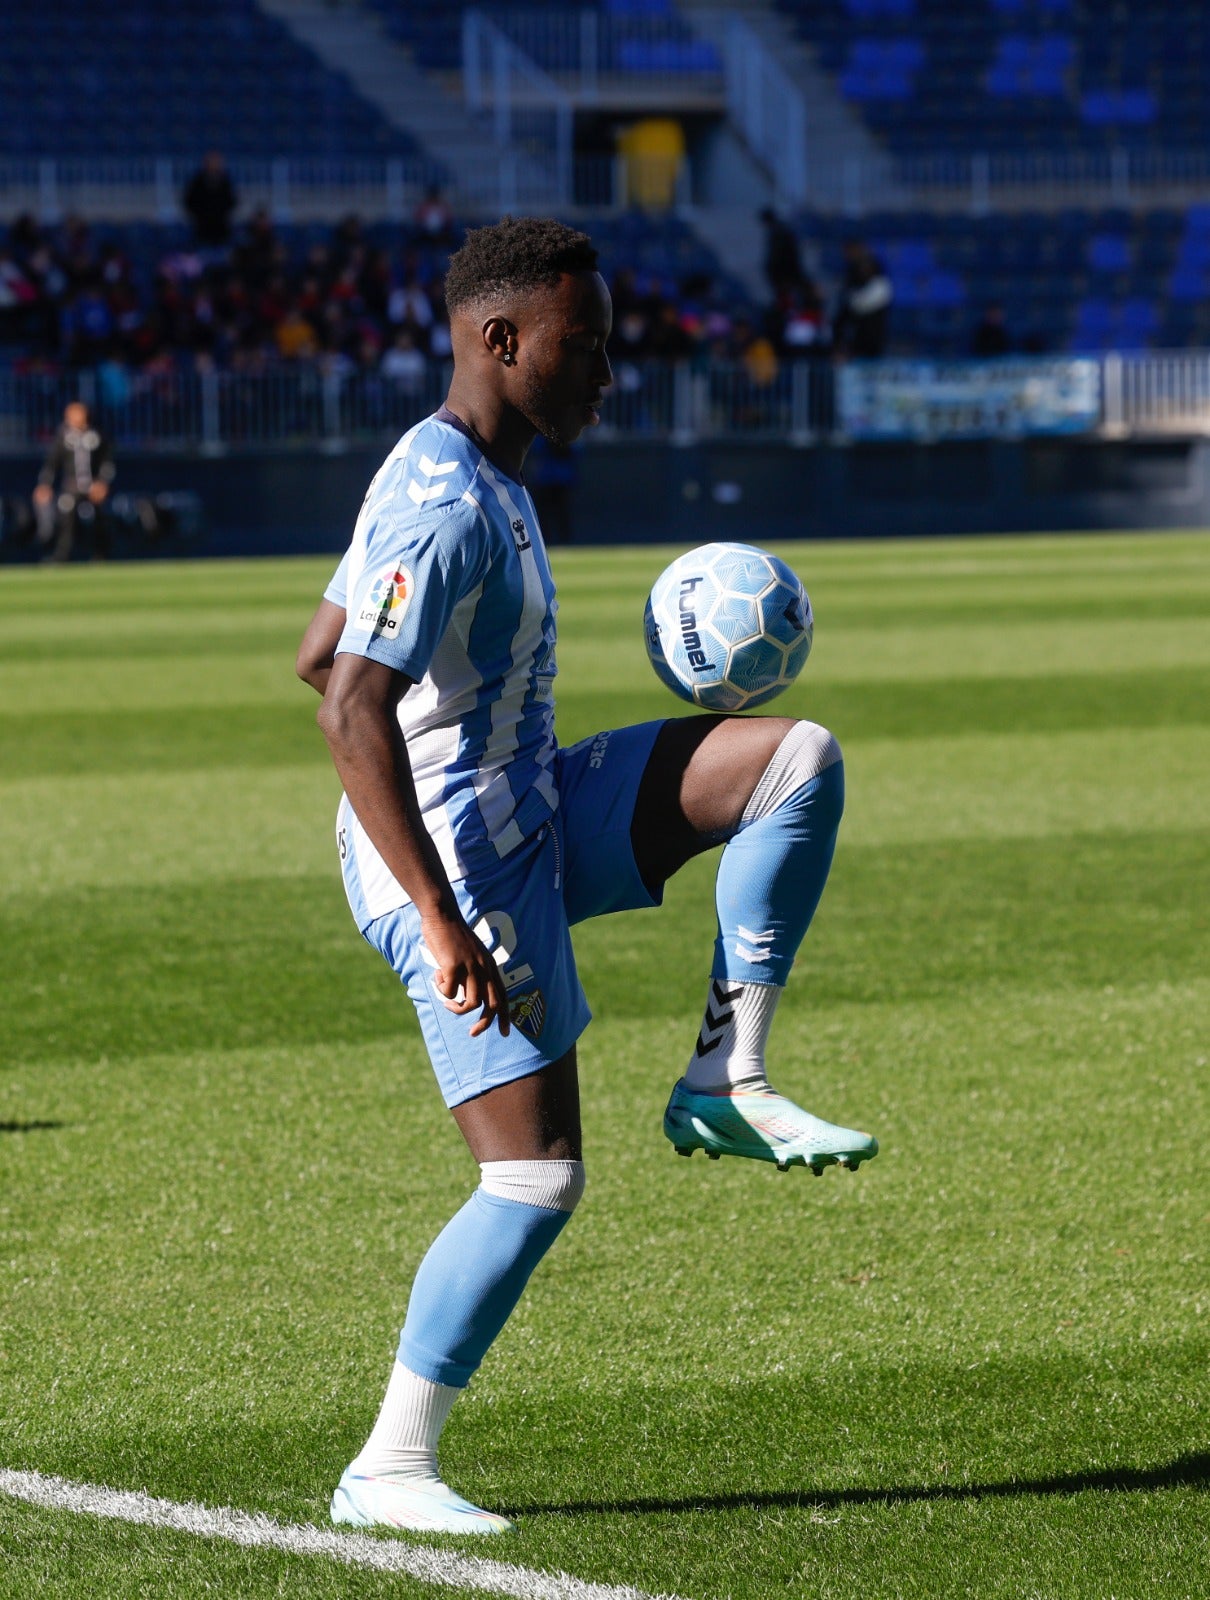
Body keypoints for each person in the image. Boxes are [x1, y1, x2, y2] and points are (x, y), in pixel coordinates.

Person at [295, 216, 877, 1538]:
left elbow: (317, 647)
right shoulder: (444, 504)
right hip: (457, 864)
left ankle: (726, 1073)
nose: (608, 370)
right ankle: (387, 1466)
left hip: (530, 804)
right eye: (588, 345)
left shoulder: (459, 471)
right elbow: (344, 707)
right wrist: (440, 921)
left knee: (792, 763)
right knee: (533, 1179)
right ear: (503, 341)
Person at [33, 400, 115, 562]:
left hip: (94, 486)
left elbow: (108, 462)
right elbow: (52, 463)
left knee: (99, 516)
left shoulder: (97, 435)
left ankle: (101, 553)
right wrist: (44, 485)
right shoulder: (63, 437)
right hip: (72, 486)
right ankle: (62, 554)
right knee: (65, 511)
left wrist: (102, 483)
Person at [833, 240, 892, 360]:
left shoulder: (875, 267)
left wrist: (858, 301)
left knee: (872, 349)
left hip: (873, 323)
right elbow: (848, 305)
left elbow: (882, 291)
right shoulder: (851, 270)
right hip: (857, 325)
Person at [183, 151, 238, 251]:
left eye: (217, 162)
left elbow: (232, 201)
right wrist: (200, 213)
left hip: (221, 226)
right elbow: (189, 201)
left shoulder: (225, 181)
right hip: (202, 226)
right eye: (212, 162)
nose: (214, 165)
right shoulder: (197, 181)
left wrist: (222, 212)